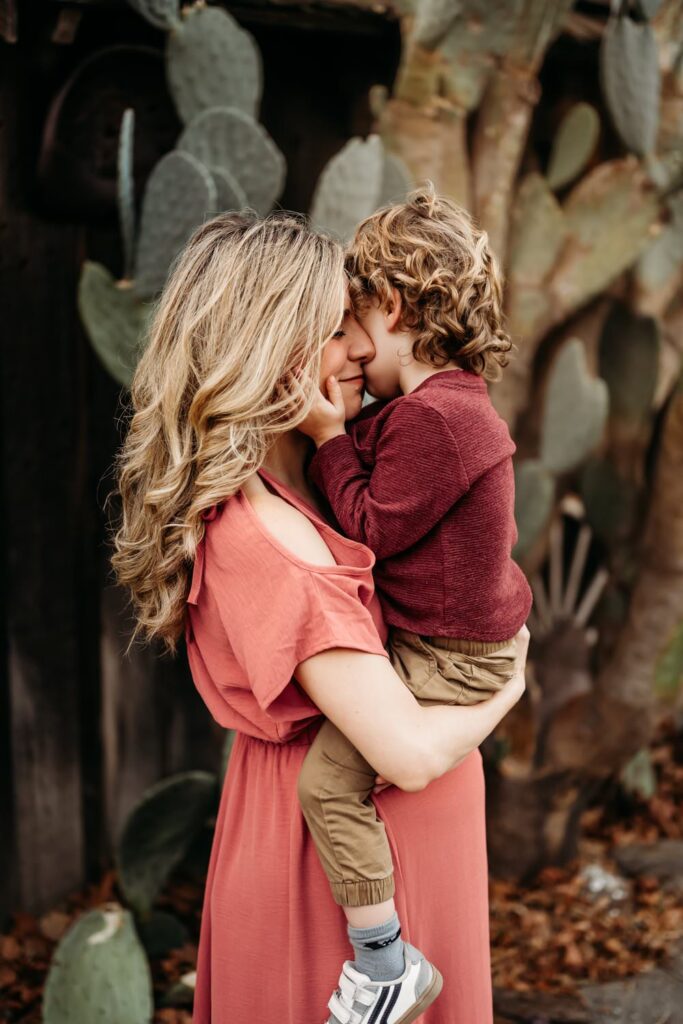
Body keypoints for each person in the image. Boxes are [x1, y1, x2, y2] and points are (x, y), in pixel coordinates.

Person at [110, 208, 529, 1024]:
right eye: (336, 329)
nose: (359, 349)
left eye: (355, 324)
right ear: (270, 346)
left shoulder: (321, 466)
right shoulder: (263, 539)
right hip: (330, 863)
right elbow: (404, 753)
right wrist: (507, 687)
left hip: (411, 842)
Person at [295, 186, 533, 1018]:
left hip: (447, 655)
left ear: (391, 306)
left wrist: (325, 437)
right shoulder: (445, 407)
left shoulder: (434, 420)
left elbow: (370, 523)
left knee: (328, 784)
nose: (351, 346)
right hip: (462, 640)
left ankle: (384, 960)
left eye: (353, 319)